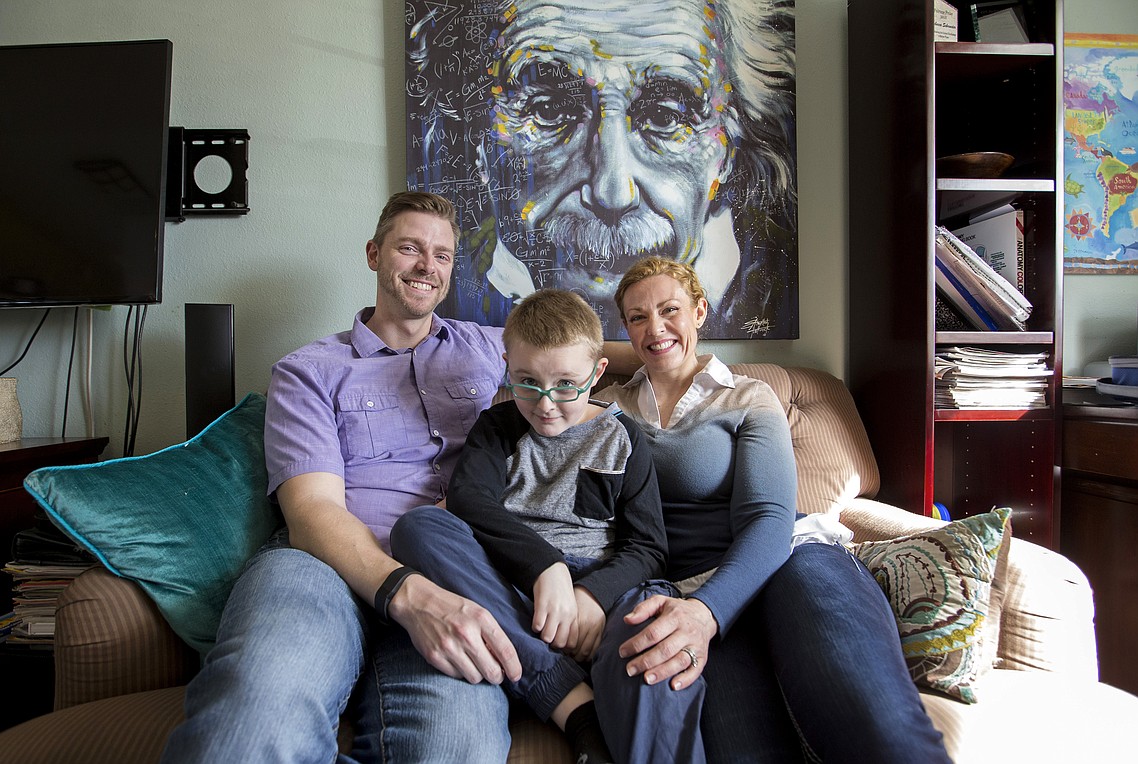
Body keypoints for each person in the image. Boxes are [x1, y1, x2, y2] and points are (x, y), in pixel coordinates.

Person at [161, 192, 523, 763]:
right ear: (374, 254)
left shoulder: (492, 347)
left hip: (454, 572)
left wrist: (684, 367)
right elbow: (312, 515)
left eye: (443, 255)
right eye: (410, 248)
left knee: (459, 747)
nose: (427, 266)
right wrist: (409, 595)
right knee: (254, 714)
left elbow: (584, 353)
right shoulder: (309, 371)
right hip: (320, 570)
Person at [588, 257, 952, 763]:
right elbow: (558, 357)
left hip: (788, 562)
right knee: (741, 750)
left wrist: (706, 614)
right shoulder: (606, 407)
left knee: (872, 718)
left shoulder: (747, 396)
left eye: (670, 310)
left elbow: (769, 520)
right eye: (637, 318)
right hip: (687, 588)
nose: (655, 329)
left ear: (700, 311)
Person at [392, 289, 703, 763]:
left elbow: (648, 548)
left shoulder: (623, 437)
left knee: (652, 642)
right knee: (418, 529)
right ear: (506, 368)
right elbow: (469, 499)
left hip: (606, 592)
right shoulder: (496, 427)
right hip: (512, 584)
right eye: (527, 382)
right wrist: (544, 567)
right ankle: (563, 693)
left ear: (597, 374)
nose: (546, 403)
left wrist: (592, 596)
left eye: (565, 384)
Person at [407, 0, 798, 339]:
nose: (613, 192)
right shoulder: (450, 323)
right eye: (549, 110)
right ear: (479, 139)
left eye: (665, 117)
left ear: (729, 149)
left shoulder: (779, 302)